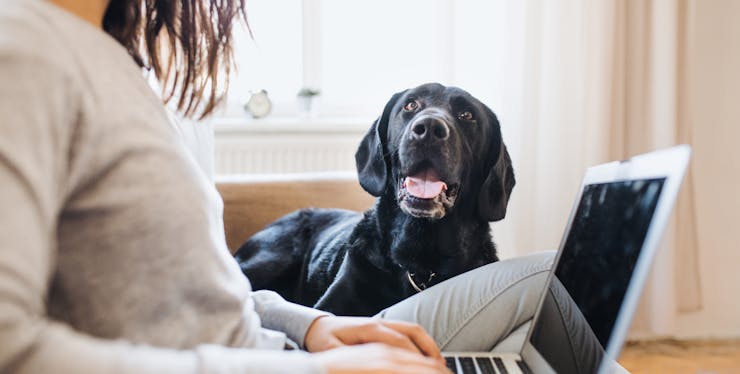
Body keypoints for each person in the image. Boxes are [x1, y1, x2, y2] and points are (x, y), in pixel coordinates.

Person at [0, 1, 561, 373]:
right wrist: (306, 368)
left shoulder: (122, 73)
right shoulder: (28, 52)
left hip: (290, 346)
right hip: (281, 365)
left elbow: (210, 294)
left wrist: (312, 324)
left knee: (527, 353)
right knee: (549, 281)